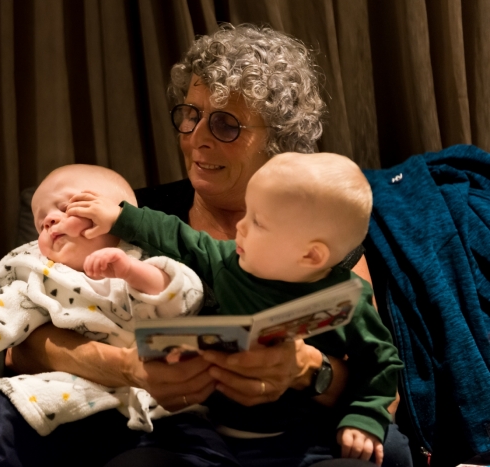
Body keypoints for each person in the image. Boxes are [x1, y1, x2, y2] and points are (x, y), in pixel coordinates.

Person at [0, 23, 412, 467]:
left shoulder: (318, 235)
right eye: (191, 114)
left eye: (225, 124)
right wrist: (128, 367)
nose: (197, 137)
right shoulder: (136, 217)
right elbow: (21, 343)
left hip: (292, 434)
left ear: (277, 138)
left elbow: (381, 382)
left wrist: (308, 370)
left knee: (386, 453)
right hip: (167, 430)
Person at [69, 151, 403, 465]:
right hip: (211, 435)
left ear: (311, 255)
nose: (240, 226)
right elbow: (175, 235)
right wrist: (120, 216)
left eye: (258, 222)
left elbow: (382, 363)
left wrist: (364, 418)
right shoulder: (227, 260)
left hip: (306, 442)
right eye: (246, 212)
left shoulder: (347, 298)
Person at [0, 164, 204, 435]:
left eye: (66, 209)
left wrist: (132, 272)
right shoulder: (39, 280)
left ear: (115, 219)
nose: (50, 221)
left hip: (152, 398)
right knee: (6, 405)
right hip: (68, 389)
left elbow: (182, 298)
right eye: (41, 222)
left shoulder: (146, 262)